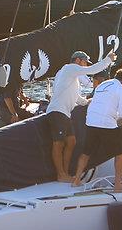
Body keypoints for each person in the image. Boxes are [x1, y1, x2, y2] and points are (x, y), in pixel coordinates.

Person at [45, 49, 116, 182]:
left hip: (65, 114)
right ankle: (61, 175)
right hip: (57, 112)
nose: (85, 65)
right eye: (84, 62)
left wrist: (87, 102)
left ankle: (65, 173)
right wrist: (108, 59)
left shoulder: (70, 75)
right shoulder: (70, 68)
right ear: (77, 60)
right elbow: (92, 70)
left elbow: (75, 97)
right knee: (58, 144)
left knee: (71, 142)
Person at [72, 67, 122, 190]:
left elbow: (102, 104)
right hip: (106, 124)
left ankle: (76, 181)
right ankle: (118, 185)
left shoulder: (103, 84)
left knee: (86, 152)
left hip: (91, 121)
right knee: (119, 154)